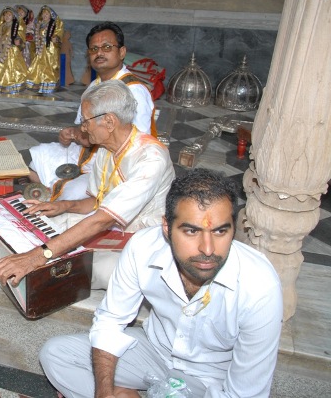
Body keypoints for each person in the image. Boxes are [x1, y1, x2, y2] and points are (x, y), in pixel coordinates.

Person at [39, 168, 283, 398]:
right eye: (191, 231)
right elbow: (110, 322)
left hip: (211, 379)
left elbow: (245, 393)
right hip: (154, 352)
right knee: (57, 355)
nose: (207, 250)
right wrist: (104, 391)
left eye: (220, 231)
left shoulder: (259, 285)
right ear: (167, 227)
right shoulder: (144, 247)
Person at [0, 79, 174, 290]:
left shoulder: (151, 158)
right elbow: (96, 201)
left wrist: (37, 256)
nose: (83, 128)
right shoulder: (106, 148)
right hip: (110, 223)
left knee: (98, 270)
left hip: (145, 236)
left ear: (109, 121)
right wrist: (62, 206)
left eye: (86, 121)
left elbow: (102, 220)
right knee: (42, 224)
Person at [28, 21, 155, 201]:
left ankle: (68, 201)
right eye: (94, 49)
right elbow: (84, 126)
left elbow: (138, 143)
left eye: (107, 47)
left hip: (115, 163)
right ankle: (61, 198)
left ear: (122, 52)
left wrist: (91, 140)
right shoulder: (95, 85)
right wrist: (73, 133)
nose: (99, 53)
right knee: (36, 159)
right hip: (87, 153)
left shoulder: (133, 91)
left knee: (70, 194)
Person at [0, 6, 29, 94]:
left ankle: (13, 84)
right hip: (2, 49)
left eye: (9, 15)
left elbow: (20, 34)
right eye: (5, 15)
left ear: (13, 16)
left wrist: (18, 40)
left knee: (12, 66)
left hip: (12, 49)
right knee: (0, 66)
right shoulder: (2, 25)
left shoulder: (16, 25)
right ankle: (0, 83)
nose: (7, 17)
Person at [25, 5, 64, 94]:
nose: (45, 15)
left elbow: (58, 33)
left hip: (49, 49)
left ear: (51, 15)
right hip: (39, 48)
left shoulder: (54, 23)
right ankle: (37, 83)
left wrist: (56, 38)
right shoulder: (39, 24)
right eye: (43, 13)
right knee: (37, 65)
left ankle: (48, 83)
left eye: (47, 13)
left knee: (48, 66)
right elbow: (35, 34)